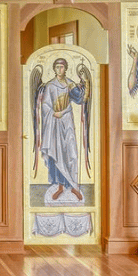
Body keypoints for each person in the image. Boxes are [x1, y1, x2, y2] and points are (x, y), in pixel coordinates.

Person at [35, 58, 86, 202]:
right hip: (55, 122)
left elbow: (79, 99)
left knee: (71, 153)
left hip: (67, 121)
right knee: (57, 152)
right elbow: (45, 105)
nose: (59, 70)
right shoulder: (50, 86)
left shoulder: (70, 84)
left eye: (62, 67)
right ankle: (60, 186)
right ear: (54, 69)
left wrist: (82, 84)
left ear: (66, 68)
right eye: (57, 67)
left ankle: (74, 185)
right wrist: (53, 112)